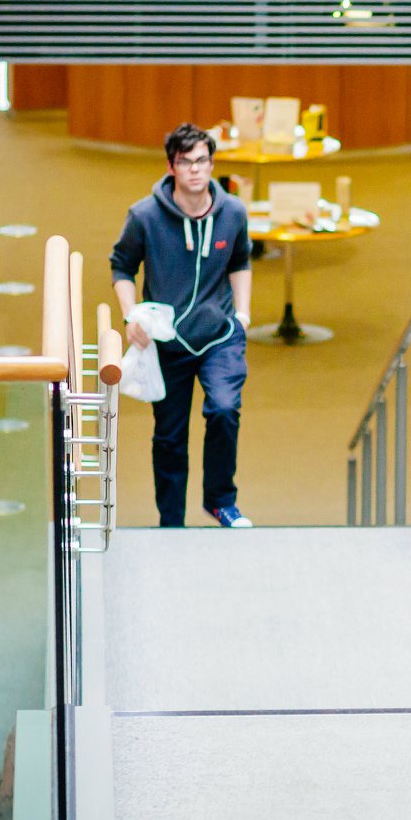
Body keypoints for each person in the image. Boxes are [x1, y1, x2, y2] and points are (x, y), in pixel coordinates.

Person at [111, 123, 256, 529]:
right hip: (167, 342)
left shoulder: (233, 213)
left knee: (225, 409)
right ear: (171, 166)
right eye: (185, 162)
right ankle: (171, 521)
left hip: (219, 336)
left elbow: (241, 262)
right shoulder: (144, 216)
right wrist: (130, 315)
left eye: (202, 161)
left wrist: (242, 316)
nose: (195, 170)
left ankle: (221, 502)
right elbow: (122, 265)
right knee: (170, 437)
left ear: (212, 163)